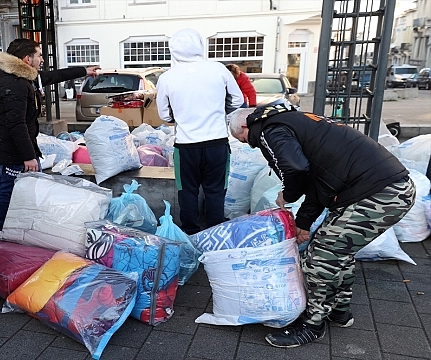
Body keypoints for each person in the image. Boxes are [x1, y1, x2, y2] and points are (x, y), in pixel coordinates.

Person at [228, 102, 415, 348]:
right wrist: (303, 225)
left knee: (320, 258)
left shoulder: (268, 129)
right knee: (339, 251)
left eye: (240, 137)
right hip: (383, 190)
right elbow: (316, 184)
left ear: (245, 124)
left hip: (379, 194)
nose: (245, 142)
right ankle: (339, 312)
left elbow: (296, 170)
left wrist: (288, 194)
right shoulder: (293, 121)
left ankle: (312, 325)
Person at [0, 38, 99, 237]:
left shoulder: (24, 77)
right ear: (27, 59)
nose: (42, 60)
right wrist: (28, 156)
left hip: (22, 147)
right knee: (8, 190)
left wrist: (84, 71)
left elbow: (53, 76)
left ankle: (22, 228)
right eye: (39, 55)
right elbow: (16, 124)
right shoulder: (14, 84)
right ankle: (1, 230)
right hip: (12, 150)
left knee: (28, 191)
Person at [155, 28, 244, 235]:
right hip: (217, 144)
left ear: (173, 50)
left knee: (187, 193)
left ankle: (191, 235)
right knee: (215, 193)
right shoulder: (219, 70)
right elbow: (238, 100)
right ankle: (214, 236)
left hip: (186, 147)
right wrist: (219, 112)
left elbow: (164, 115)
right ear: (200, 47)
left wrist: (182, 117)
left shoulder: (167, 78)